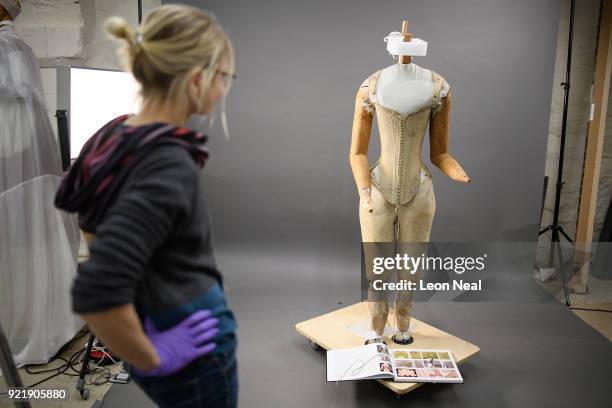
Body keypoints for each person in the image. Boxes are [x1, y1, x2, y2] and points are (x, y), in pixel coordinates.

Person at [54, 5, 238, 407]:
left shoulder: (113, 134)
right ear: (195, 79)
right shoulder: (166, 162)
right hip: (196, 358)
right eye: (225, 77)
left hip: (156, 323)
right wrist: (156, 353)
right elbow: (99, 293)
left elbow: (93, 229)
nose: (225, 89)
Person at [0, 0, 82, 366]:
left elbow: (13, 97)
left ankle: (25, 324)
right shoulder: (18, 46)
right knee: (26, 235)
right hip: (21, 154)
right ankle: (38, 319)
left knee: (18, 235)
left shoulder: (6, 47)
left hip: (12, 154)